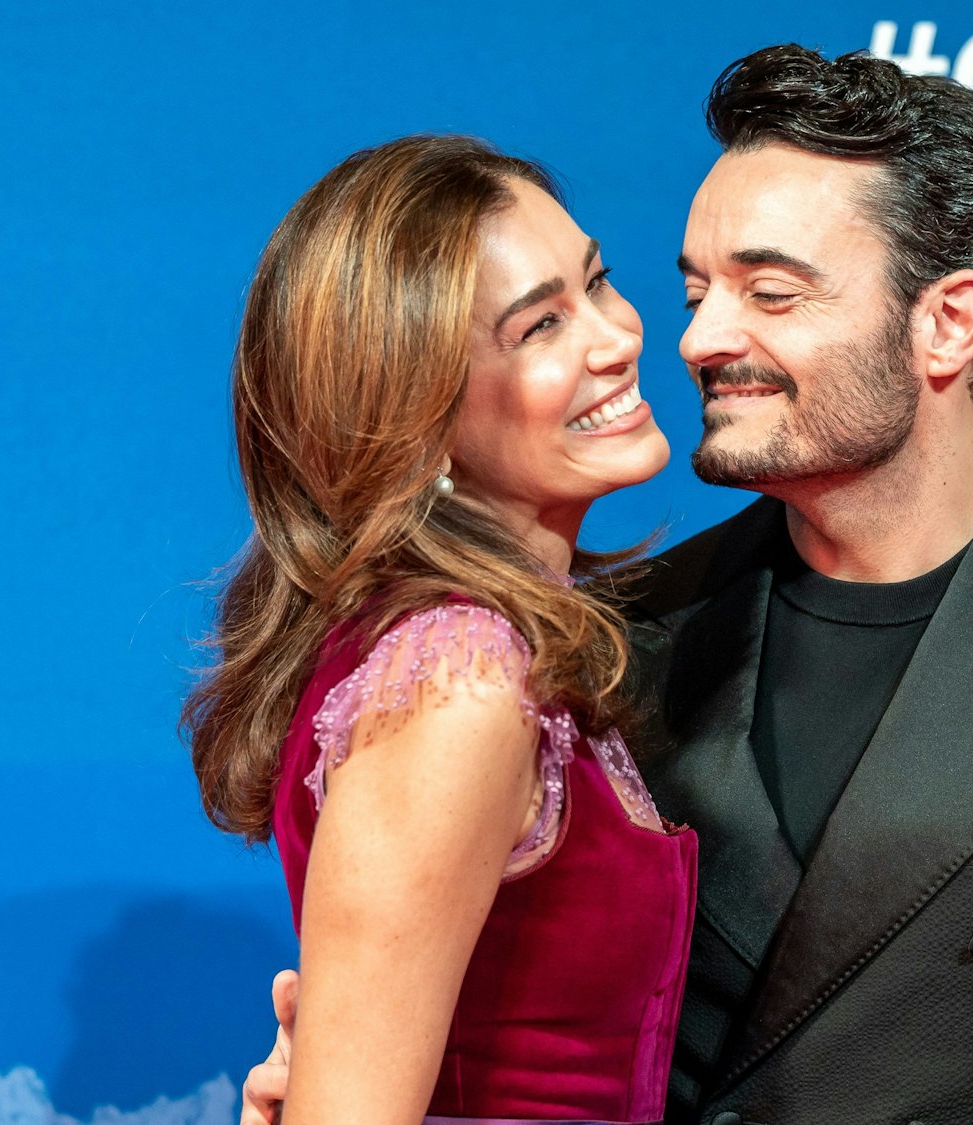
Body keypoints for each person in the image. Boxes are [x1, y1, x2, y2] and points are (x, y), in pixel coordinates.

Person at [247, 45, 973, 1125]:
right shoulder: (602, 641)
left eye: (768, 292)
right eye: (694, 289)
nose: (691, 339)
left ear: (947, 322)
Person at [189, 134, 697, 1125]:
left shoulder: (485, 649)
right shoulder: (457, 678)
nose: (614, 337)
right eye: (540, 326)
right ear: (418, 419)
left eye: (595, 283)